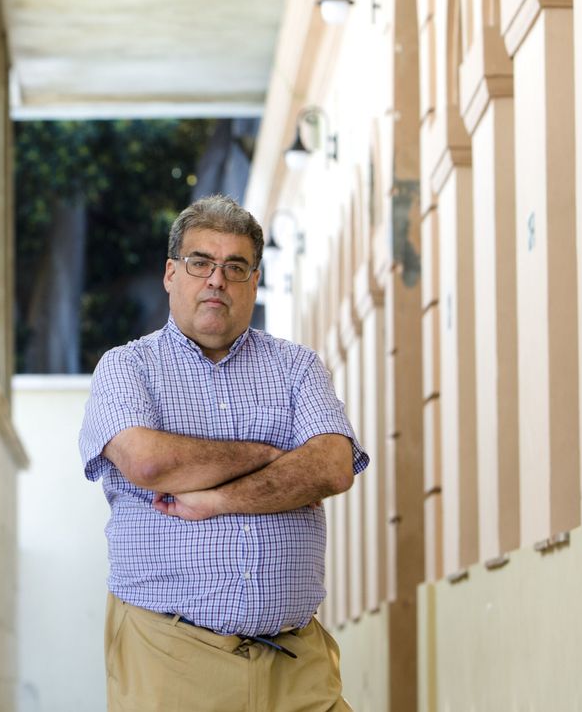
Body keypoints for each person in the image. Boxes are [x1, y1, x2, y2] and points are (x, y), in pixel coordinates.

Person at [78, 194, 368, 711]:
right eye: (200, 263)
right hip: (172, 658)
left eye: (235, 267)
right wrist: (272, 452)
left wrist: (216, 499)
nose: (217, 279)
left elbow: (332, 465)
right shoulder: (127, 369)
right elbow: (149, 463)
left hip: (297, 660)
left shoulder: (296, 367)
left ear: (254, 281)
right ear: (171, 274)